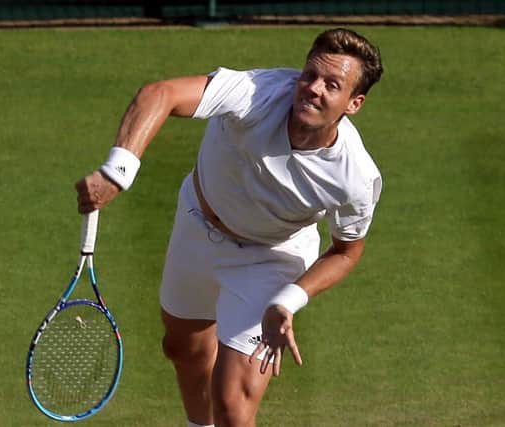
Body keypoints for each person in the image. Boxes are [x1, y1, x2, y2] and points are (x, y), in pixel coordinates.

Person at [75, 27, 383, 427]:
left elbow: (346, 251)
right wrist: (118, 171)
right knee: (184, 351)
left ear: (353, 103)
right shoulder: (257, 92)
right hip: (197, 223)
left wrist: (288, 300)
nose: (312, 88)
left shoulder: (355, 176)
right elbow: (161, 93)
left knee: (233, 409)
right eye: (309, 75)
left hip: (271, 258)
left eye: (332, 85)